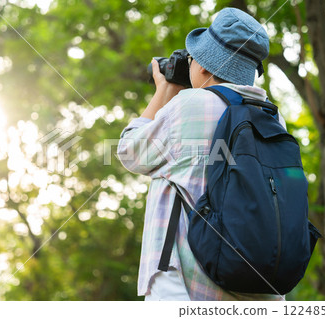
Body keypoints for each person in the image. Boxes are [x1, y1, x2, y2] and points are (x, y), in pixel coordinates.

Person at [117, 7, 286, 301]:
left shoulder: (189, 105)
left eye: (193, 57)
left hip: (186, 286)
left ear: (205, 68)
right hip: (261, 288)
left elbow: (130, 151)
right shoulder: (273, 117)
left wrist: (164, 90)